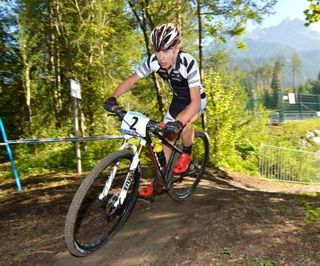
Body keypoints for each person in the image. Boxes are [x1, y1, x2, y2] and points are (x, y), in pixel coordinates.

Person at [104, 23, 207, 197]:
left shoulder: (187, 62)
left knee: (183, 123)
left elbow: (195, 102)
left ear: (176, 49)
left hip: (196, 100)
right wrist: (112, 98)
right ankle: (159, 180)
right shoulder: (153, 62)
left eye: (166, 51)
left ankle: (187, 153)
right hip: (178, 100)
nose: (161, 57)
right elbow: (131, 80)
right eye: (158, 51)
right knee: (166, 141)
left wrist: (179, 122)